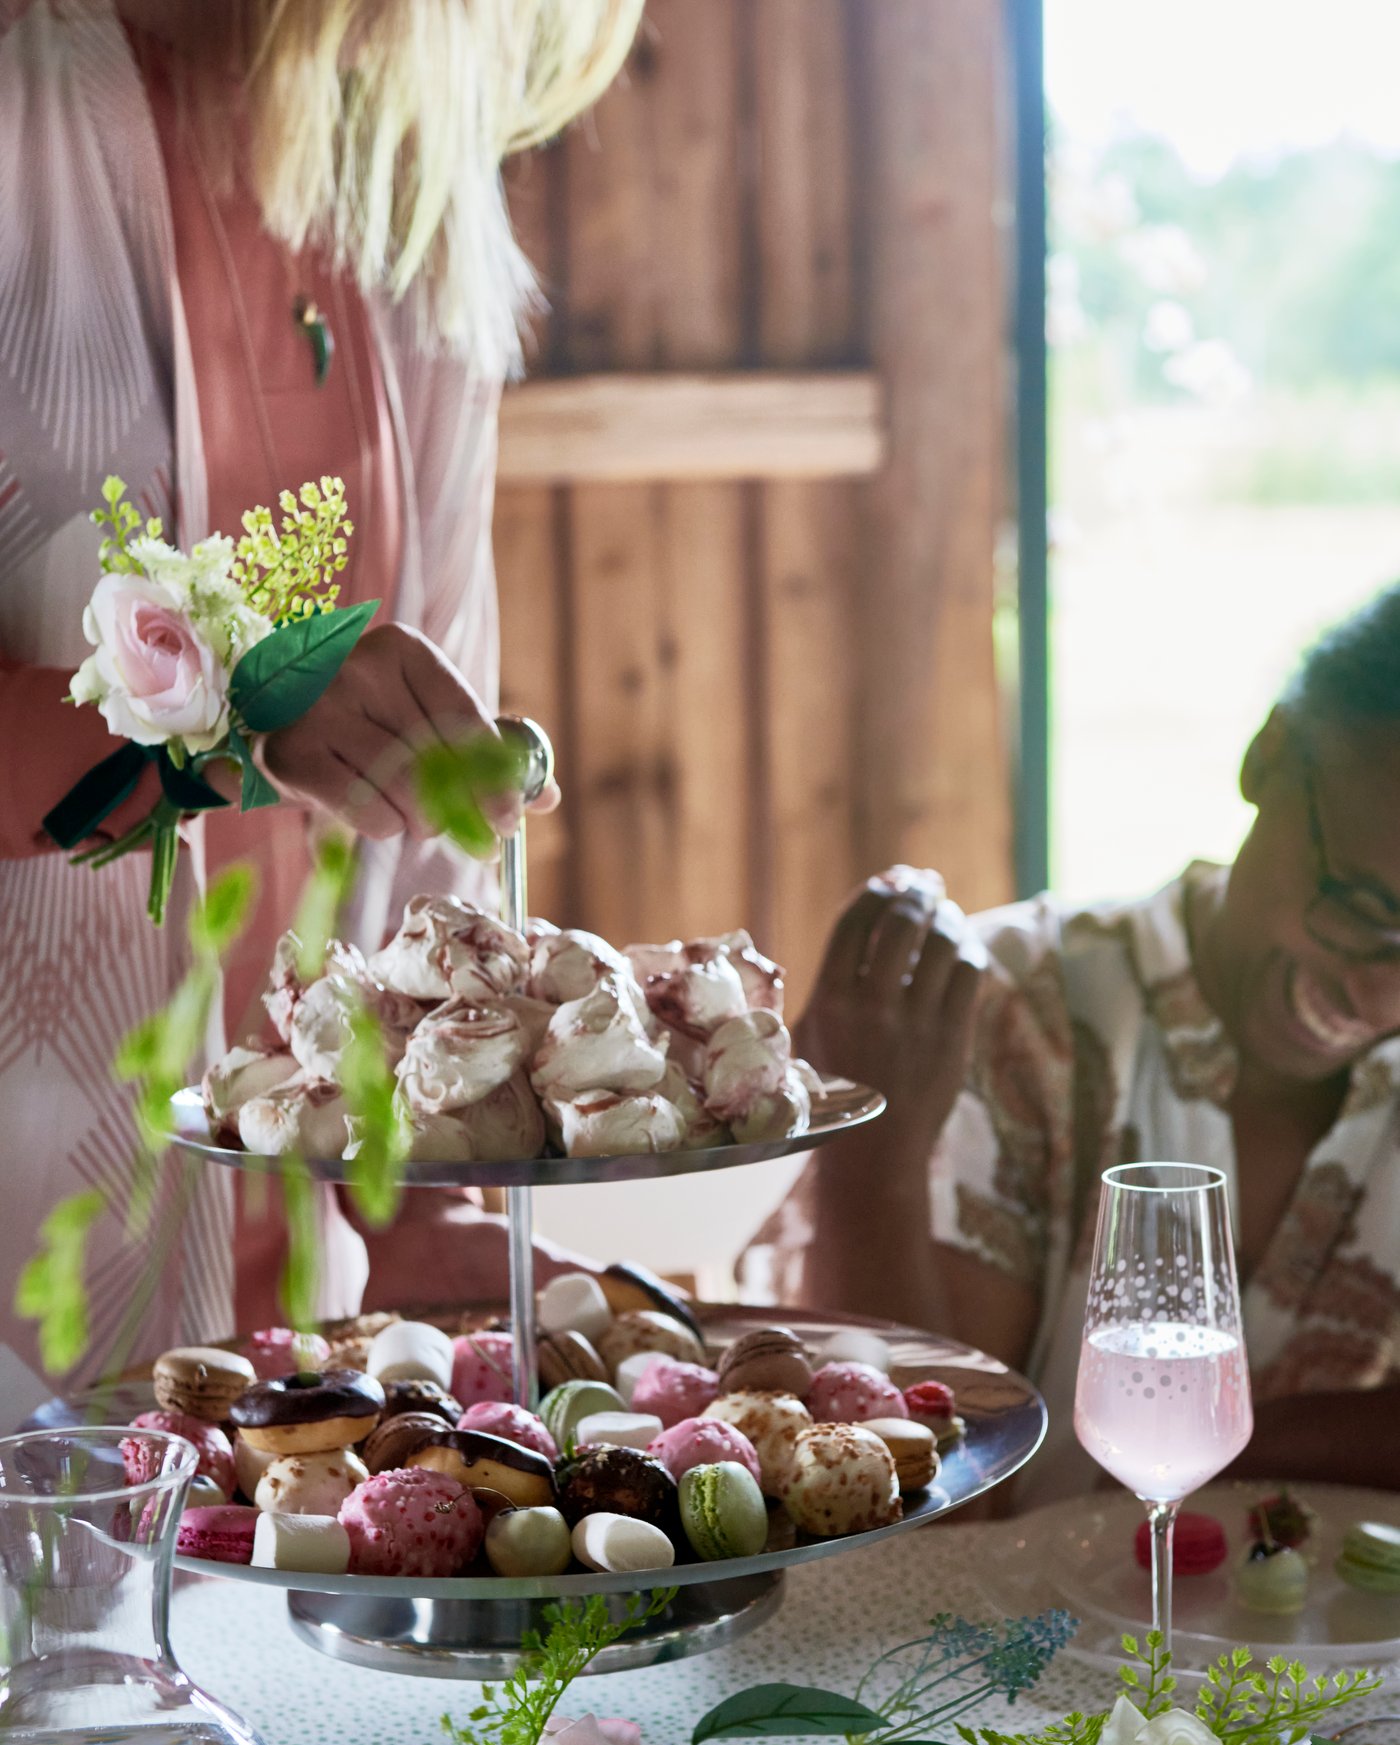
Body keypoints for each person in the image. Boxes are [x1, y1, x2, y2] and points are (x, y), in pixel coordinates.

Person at [0, 0, 641, 1388]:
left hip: (285, 1316)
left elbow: (410, 793)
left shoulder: (404, 168)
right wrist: (230, 723)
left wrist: (416, 1209)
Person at [758, 587, 1400, 1506]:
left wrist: (1235, 1450)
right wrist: (876, 1161)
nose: (1378, 993)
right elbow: (910, 1507)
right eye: (1364, 909)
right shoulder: (1018, 1012)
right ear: (1270, 758)